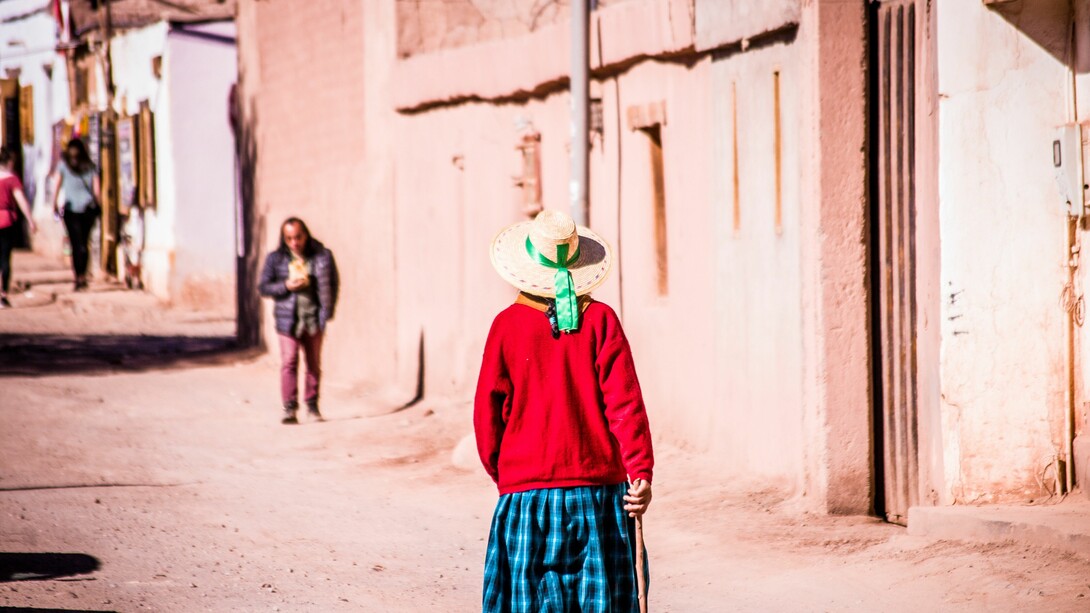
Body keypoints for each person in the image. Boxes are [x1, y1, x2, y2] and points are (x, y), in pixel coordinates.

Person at [474, 209, 654, 612]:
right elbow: (625, 403)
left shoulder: (506, 326)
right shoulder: (601, 320)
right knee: (600, 600)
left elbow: (487, 416)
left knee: (529, 600)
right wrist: (640, 470)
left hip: (528, 497)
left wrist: (508, 475)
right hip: (598, 494)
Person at [259, 217, 339, 424]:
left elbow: (333, 284)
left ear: (305, 235)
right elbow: (264, 287)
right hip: (288, 320)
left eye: (298, 237)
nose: (294, 242)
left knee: (313, 364)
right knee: (289, 361)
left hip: (313, 319)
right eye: (289, 238)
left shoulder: (322, 256)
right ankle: (289, 408)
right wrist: (286, 285)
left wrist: (327, 312)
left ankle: (312, 406)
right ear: (284, 239)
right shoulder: (276, 259)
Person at [50, 138, 100, 291]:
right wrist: (98, 206)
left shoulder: (63, 166)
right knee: (84, 243)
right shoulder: (90, 166)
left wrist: (54, 204)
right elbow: (97, 190)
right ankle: (82, 275)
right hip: (87, 209)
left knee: (75, 244)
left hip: (71, 210)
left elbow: (57, 185)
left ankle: (78, 276)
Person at [0, 147, 37, 308]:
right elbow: (21, 200)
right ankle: (3, 294)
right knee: (5, 258)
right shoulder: (12, 179)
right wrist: (30, 220)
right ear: (10, 162)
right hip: (6, 220)